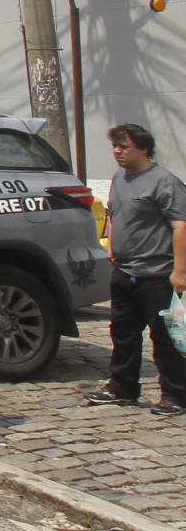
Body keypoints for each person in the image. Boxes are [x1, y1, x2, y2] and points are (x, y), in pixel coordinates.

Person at [85, 122, 186, 415]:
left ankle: (175, 395)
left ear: (143, 148)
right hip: (125, 271)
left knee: (165, 337)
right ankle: (122, 387)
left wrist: (180, 271)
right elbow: (114, 213)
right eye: (115, 147)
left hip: (156, 274)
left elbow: (181, 227)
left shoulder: (164, 182)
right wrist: (113, 246)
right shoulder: (120, 178)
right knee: (123, 333)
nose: (117, 152)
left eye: (124, 147)